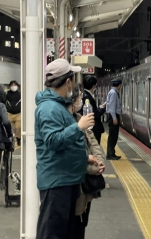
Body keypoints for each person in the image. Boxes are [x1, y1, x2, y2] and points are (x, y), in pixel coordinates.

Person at [34, 58, 96, 239]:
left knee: (65, 232)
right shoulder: (49, 109)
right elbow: (53, 141)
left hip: (64, 180)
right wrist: (79, 127)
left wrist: (84, 159)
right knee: (52, 233)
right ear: (67, 81)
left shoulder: (57, 106)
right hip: (56, 183)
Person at [70, 83, 105, 239]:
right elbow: (73, 154)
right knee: (75, 224)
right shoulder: (70, 123)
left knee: (82, 223)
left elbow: (93, 143)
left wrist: (99, 161)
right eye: (79, 97)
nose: (81, 100)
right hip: (76, 184)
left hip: (86, 186)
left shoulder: (79, 118)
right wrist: (94, 168)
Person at [81, 75, 106, 144]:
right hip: (93, 128)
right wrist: (101, 109)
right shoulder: (88, 97)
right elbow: (95, 114)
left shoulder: (84, 94)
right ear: (93, 86)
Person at [106, 77, 123, 160]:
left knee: (113, 136)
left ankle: (111, 153)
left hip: (113, 115)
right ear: (119, 85)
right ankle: (110, 154)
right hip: (114, 115)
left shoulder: (113, 92)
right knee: (113, 136)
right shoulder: (113, 93)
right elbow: (112, 106)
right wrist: (114, 118)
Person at [6, 80, 21, 146]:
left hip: (18, 114)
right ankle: (10, 140)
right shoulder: (7, 94)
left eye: (15, 85)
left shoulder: (20, 94)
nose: (13, 86)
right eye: (12, 85)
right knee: (9, 128)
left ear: (17, 86)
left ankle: (18, 139)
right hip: (9, 114)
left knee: (19, 127)